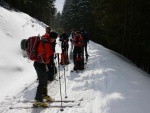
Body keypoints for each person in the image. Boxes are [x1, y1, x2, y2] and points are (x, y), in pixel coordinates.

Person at [33, 28, 58, 107]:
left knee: (45, 80)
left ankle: (43, 95)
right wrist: (53, 56)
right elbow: (49, 55)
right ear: (52, 38)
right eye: (54, 39)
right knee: (41, 82)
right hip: (39, 64)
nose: (54, 41)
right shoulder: (46, 43)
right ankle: (37, 100)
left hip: (42, 64)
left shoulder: (45, 39)